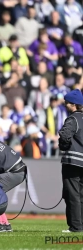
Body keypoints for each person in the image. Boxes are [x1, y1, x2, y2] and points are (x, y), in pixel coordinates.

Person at [59, 89, 83, 232]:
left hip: (73, 161)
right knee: (81, 195)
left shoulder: (73, 118)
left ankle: (75, 227)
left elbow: (64, 135)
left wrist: (64, 145)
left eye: (67, 103)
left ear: (73, 105)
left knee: (72, 194)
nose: (65, 105)